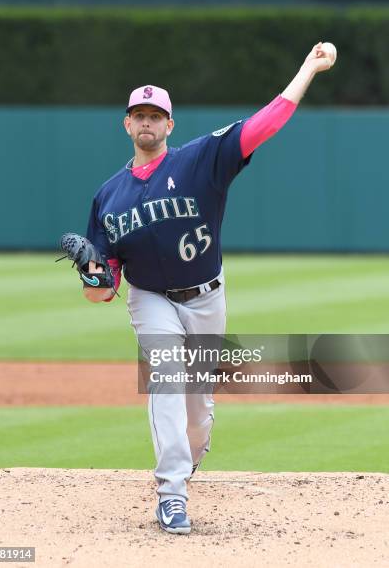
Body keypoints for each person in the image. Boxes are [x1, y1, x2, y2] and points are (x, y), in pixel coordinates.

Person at [83, 43, 334, 534]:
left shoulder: (201, 159)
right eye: (140, 114)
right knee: (166, 379)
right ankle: (171, 495)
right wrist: (93, 273)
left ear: (170, 125)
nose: (148, 122)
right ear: (127, 125)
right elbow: (101, 292)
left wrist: (308, 68)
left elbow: (267, 121)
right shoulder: (107, 197)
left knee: (198, 410)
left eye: (157, 115)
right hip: (149, 298)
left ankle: (192, 458)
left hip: (206, 297)